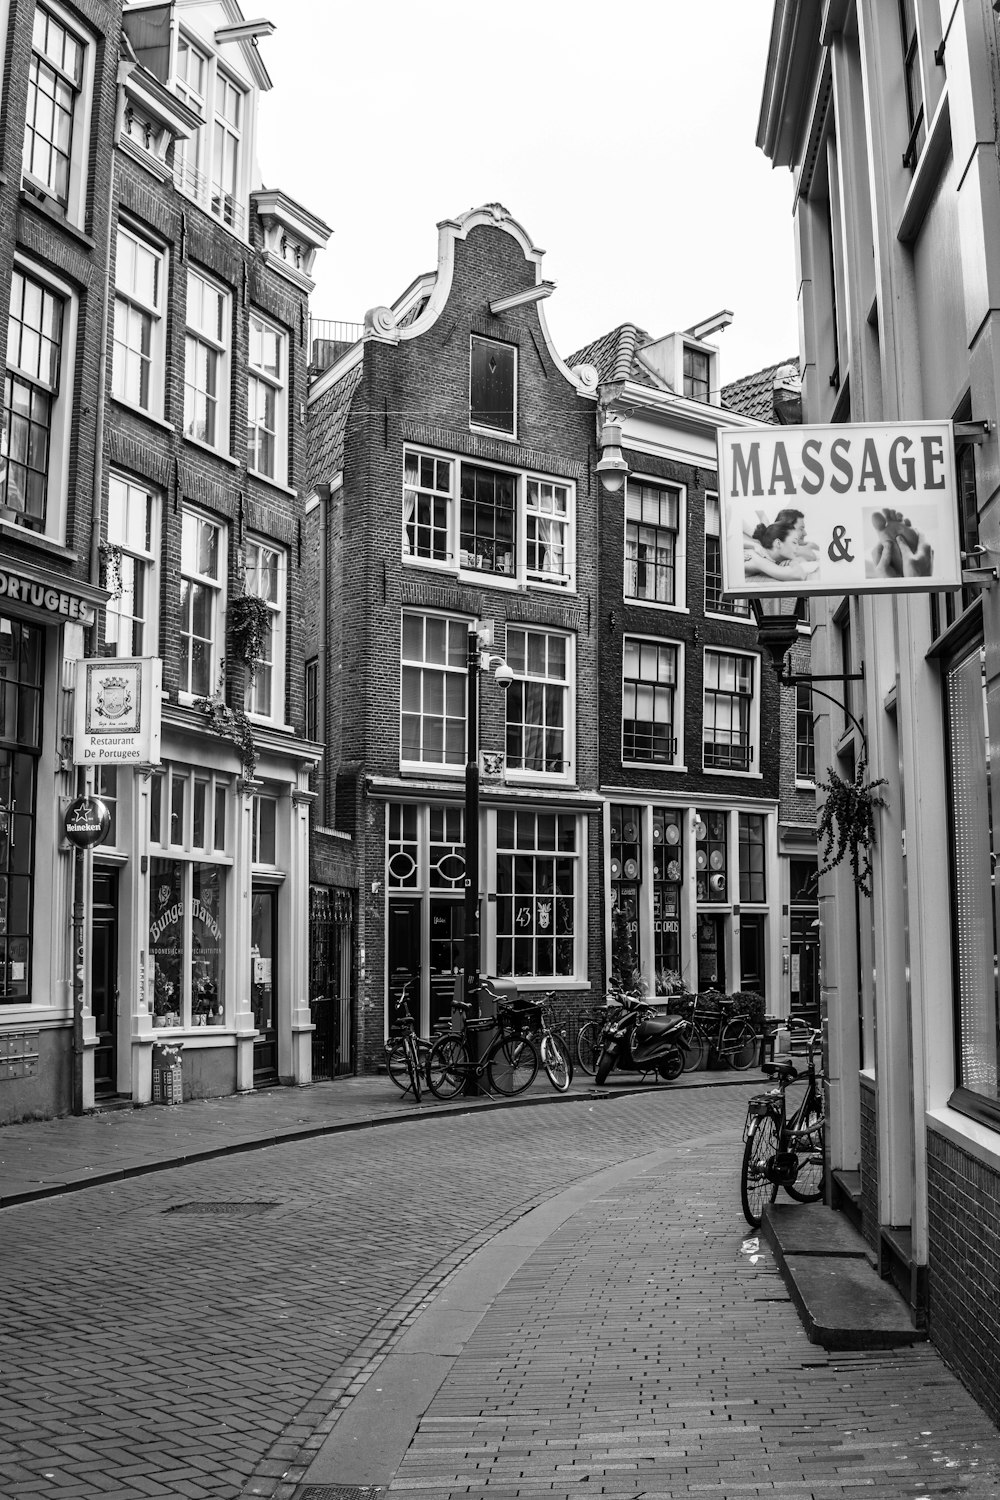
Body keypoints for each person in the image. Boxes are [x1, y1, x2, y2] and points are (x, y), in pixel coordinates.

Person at [744, 516, 818, 581]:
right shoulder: (757, 557)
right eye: (794, 542)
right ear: (778, 543)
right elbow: (799, 575)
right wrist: (794, 562)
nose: (797, 547)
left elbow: (811, 555)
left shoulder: (768, 556)